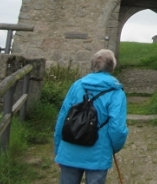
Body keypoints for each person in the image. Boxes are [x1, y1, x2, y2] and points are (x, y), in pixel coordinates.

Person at [54, 49, 128, 184]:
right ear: (112, 67)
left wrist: (58, 147)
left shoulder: (77, 85)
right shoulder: (116, 92)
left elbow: (63, 117)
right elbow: (117, 127)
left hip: (69, 148)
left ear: (92, 65)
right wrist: (114, 147)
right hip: (98, 153)